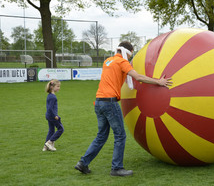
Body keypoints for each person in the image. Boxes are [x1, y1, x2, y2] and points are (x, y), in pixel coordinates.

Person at [75, 41, 172, 176]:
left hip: (98, 102)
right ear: (127, 51)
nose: (131, 58)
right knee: (120, 135)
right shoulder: (122, 62)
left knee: (101, 136)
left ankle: (83, 163)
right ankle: (116, 168)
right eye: (131, 54)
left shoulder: (108, 61)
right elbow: (138, 77)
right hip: (110, 103)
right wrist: (158, 82)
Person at [43, 79, 64, 152]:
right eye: (57, 86)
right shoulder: (53, 97)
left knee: (51, 131)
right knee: (61, 129)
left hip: (48, 116)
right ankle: (49, 142)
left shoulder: (50, 95)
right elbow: (50, 108)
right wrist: (55, 115)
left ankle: (45, 146)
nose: (59, 88)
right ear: (52, 87)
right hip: (52, 116)